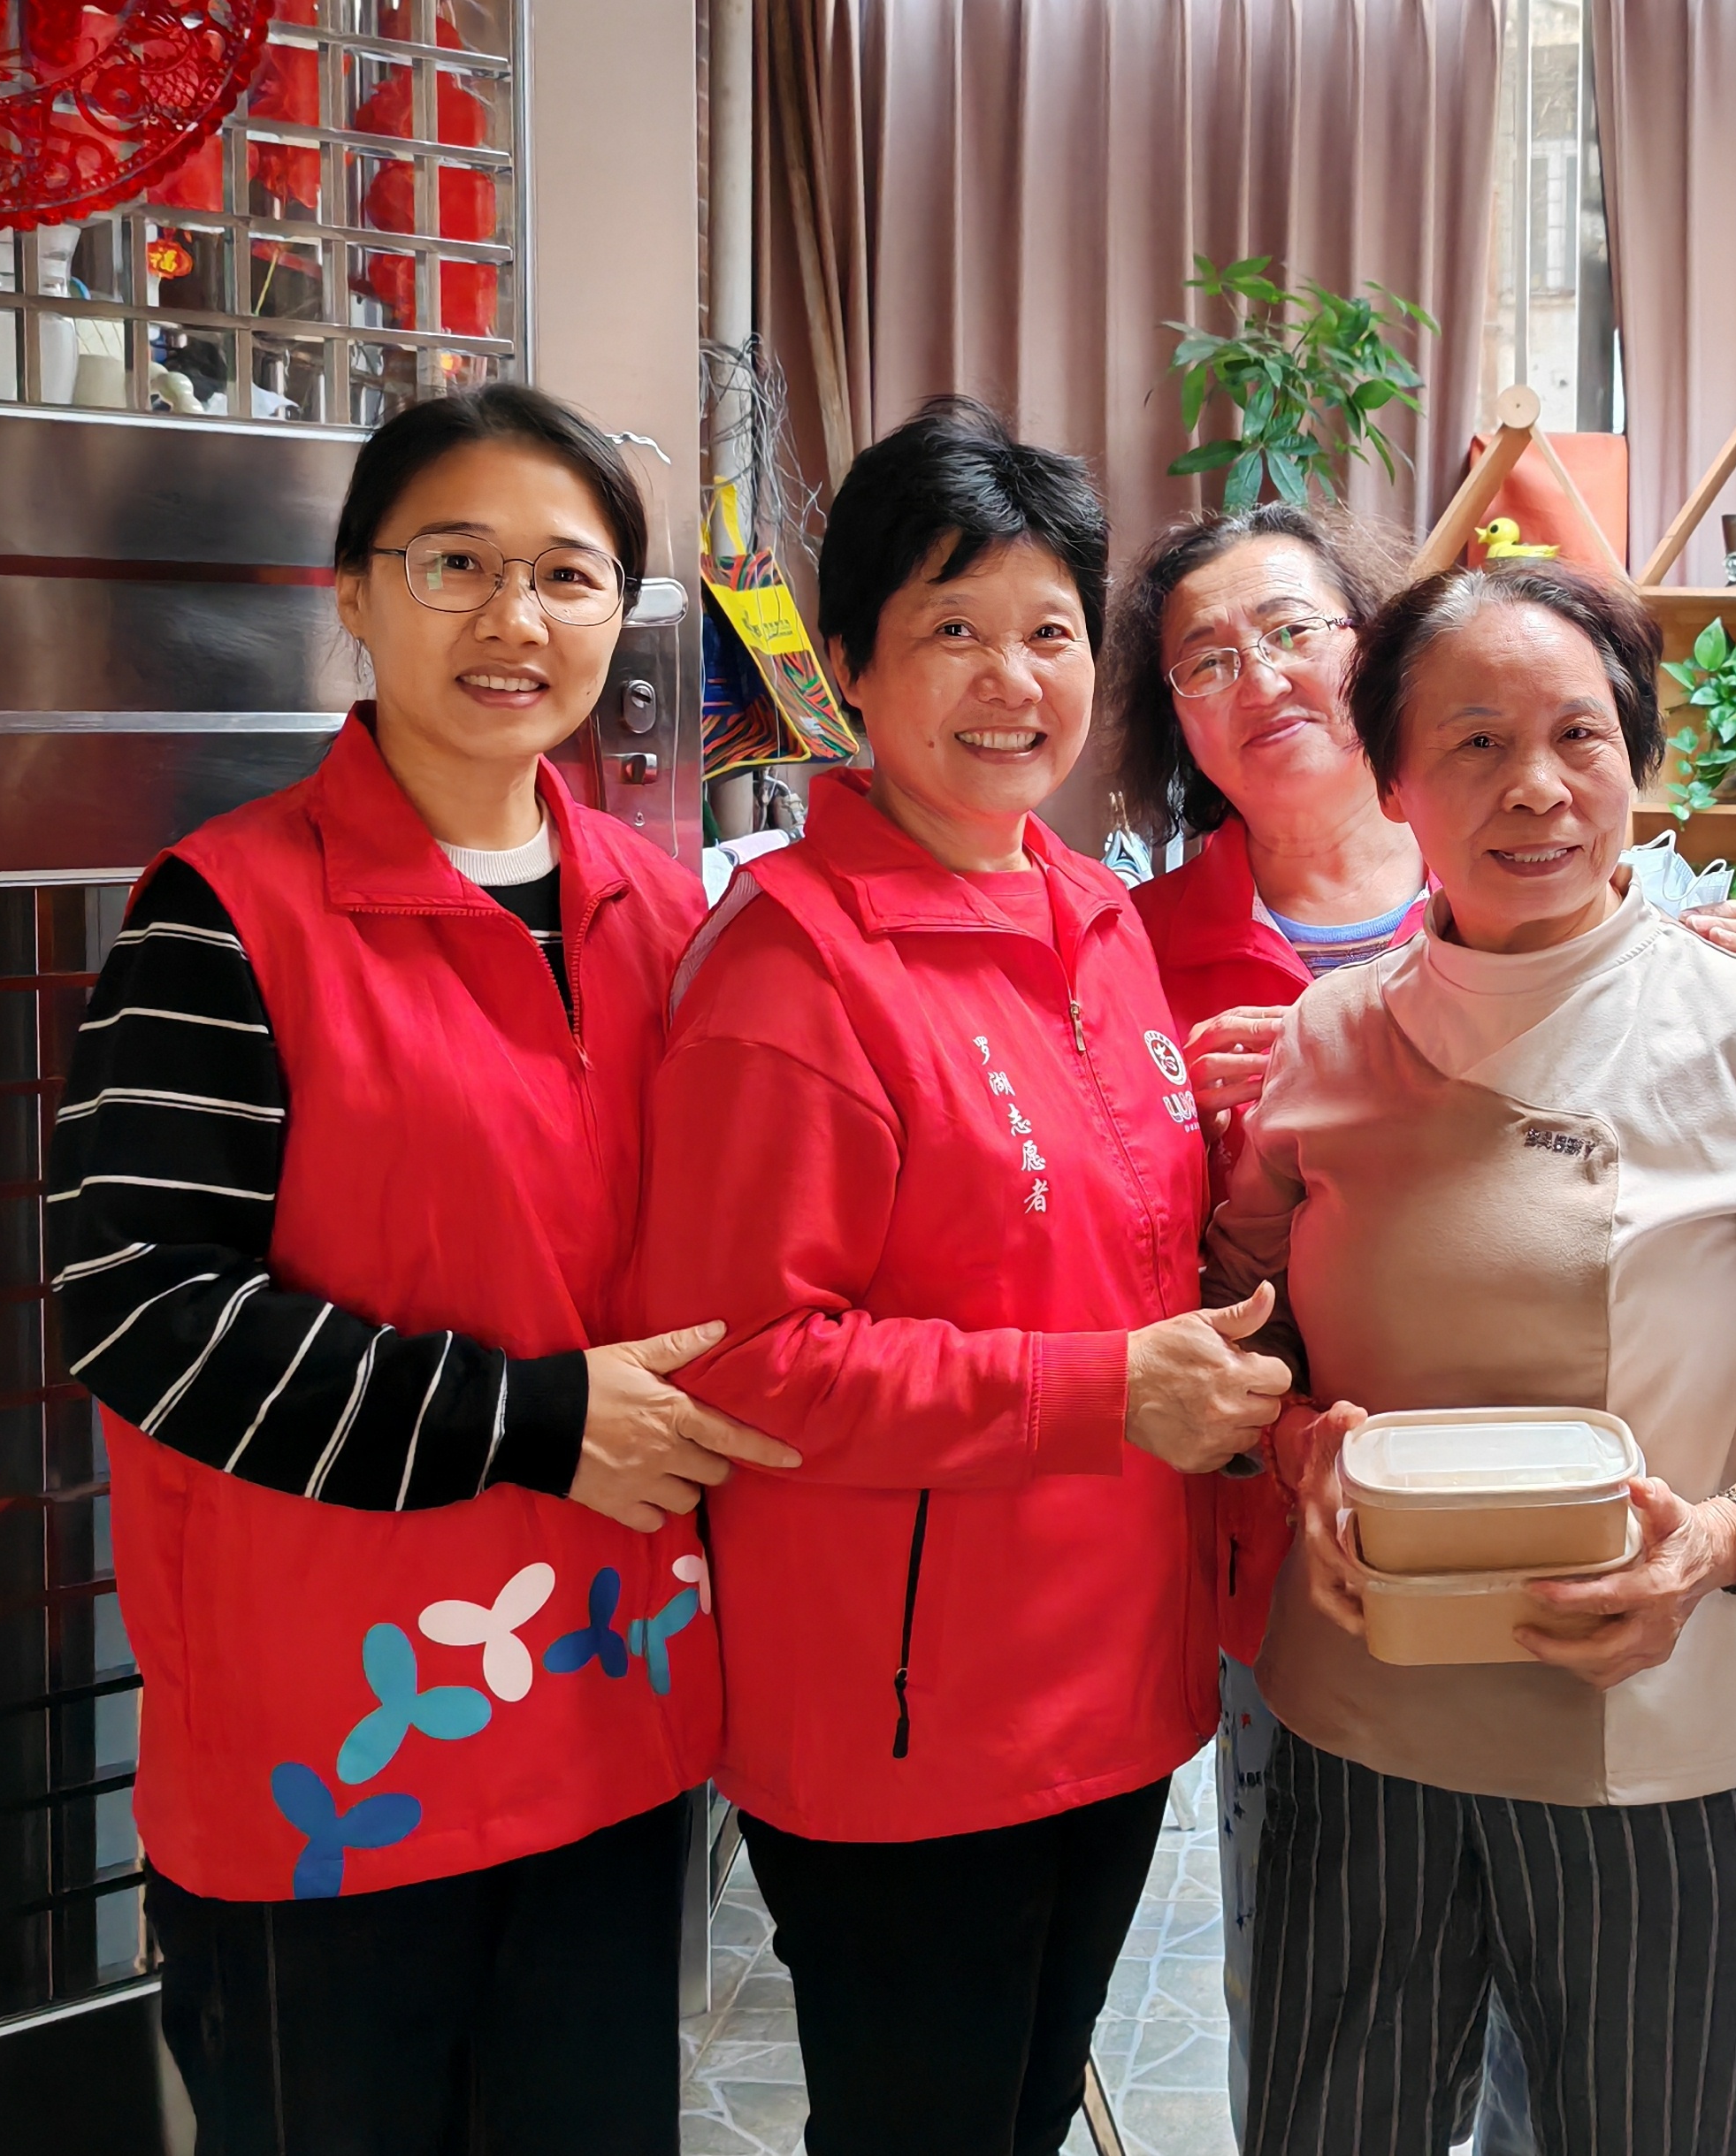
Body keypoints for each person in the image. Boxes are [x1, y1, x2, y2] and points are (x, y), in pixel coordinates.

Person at [50, 384, 784, 2151]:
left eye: (567, 574)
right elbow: (141, 1304)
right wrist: (532, 1421)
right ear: (356, 596)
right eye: (456, 563)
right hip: (331, 1767)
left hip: (609, 1719)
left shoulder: (669, 918)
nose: (513, 617)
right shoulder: (225, 913)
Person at [1204, 561, 1736, 2155]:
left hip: (1657, 1732)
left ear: (1637, 759)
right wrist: (1297, 1445)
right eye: (1473, 742)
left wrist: (1719, 1538)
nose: (1537, 787)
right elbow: (1245, 1331)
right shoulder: (1327, 1040)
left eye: (1580, 735)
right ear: (1393, 781)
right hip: (1364, 1723)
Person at [1100, 505, 1736, 2154]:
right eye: (1205, 658)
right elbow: (1154, 1265)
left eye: (1293, 628)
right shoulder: (1127, 944)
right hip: (1314, 1560)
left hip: (1597, 1562)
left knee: (1582, 2043)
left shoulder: (1567, 859)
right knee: (1335, 1998)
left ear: (1373, 656)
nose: (1260, 676)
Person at [632, 398, 1289, 2156]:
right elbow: (745, 1358)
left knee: (1021, 2114)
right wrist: (1106, 1390)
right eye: (951, 631)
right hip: (908, 1719)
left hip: (1114, 1675)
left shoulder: (1096, 919)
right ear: (846, 665)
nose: (1013, 681)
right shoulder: (791, 969)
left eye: (1049, 632)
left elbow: (1114, 1245)